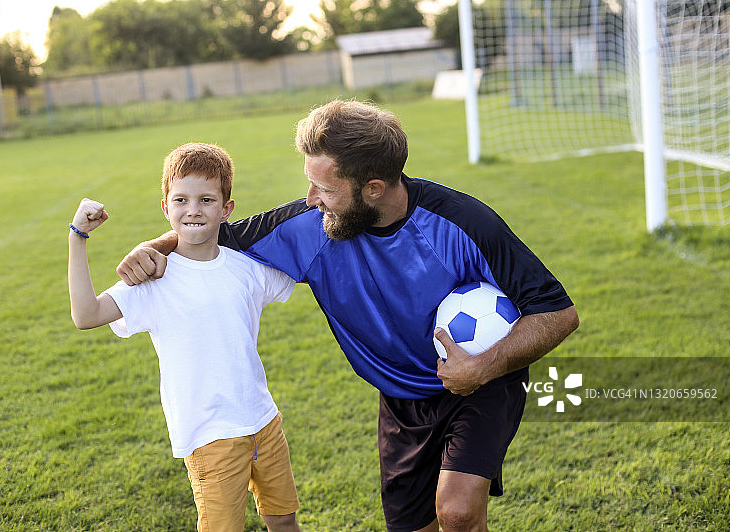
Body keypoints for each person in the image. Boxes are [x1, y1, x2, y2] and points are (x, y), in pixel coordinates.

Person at [117, 101, 579, 532]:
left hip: (483, 379)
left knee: (456, 511)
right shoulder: (307, 225)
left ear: (373, 189)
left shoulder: (463, 223)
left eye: (325, 188)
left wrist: (481, 366)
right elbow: (212, 234)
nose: (311, 197)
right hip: (402, 399)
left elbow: (557, 312)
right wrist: (151, 247)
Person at [67, 142, 302, 532]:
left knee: (283, 519)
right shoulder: (154, 280)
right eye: (181, 199)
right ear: (165, 207)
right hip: (209, 435)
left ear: (226, 209)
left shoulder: (247, 268)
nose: (193, 209)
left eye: (206, 199)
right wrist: (78, 237)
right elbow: (86, 314)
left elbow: (301, 262)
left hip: (264, 421)